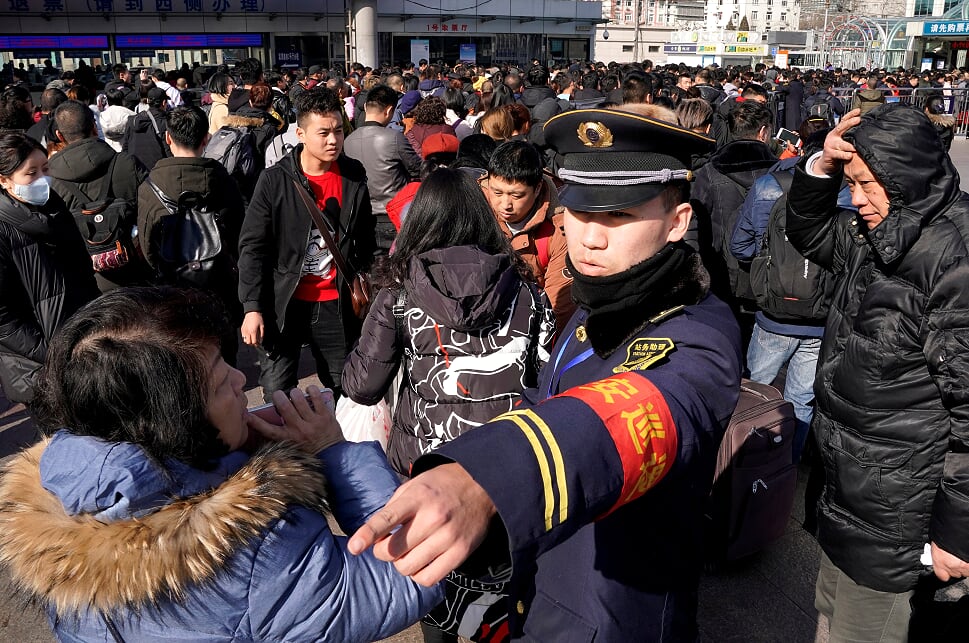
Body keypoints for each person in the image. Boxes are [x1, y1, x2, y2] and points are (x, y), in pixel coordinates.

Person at [347, 109, 742, 640]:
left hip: (611, 610)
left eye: (620, 215)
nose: (590, 239)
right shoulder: (597, 301)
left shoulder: (700, 332)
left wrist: (487, 479)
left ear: (678, 222)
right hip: (544, 580)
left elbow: (633, 412)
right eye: (578, 212)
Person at [0, 286, 442, 642]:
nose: (240, 379)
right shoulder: (254, 550)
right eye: (219, 382)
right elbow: (410, 578)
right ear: (177, 425)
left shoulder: (54, 500)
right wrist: (333, 450)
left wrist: (230, 457)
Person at [787, 105, 969, 641]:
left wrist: (957, 531)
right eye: (850, 184)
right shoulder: (878, 231)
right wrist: (822, 165)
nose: (856, 200)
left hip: (898, 509)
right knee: (831, 615)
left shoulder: (955, 259)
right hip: (852, 489)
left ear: (905, 177)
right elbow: (810, 232)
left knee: (864, 630)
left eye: (867, 185)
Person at [343, 167, 554, 478]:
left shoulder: (400, 290)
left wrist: (359, 348)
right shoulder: (526, 289)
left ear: (419, 219)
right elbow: (547, 382)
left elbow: (363, 387)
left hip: (426, 462)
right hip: (510, 458)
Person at [238, 87, 377, 402]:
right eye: (324, 133)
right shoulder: (275, 180)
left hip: (338, 304)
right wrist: (252, 307)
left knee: (346, 389)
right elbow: (252, 247)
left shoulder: (353, 174)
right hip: (284, 303)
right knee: (277, 393)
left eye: (339, 131)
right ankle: (285, 451)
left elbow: (366, 238)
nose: (333, 140)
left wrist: (372, 280)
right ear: (300, 133)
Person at [137, 106, 245, 361]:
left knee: (182, 358)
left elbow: (147, 246)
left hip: (173, 289)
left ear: (168, 138)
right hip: (220, 286)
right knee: (223, 358)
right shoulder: (224, 182)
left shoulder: (150, 187)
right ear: (206, 138)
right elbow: (239, 235)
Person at [0, 132, 98, 407]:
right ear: (4, 180)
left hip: (84, 347)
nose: (42, 180)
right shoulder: (3, 231)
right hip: (38, 369)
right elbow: (3, 319)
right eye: (30, 173)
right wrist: (52, 352)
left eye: (45, 169)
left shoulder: (54, 207)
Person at [47, 100, 148, 293]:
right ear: (94, 127)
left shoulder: (51, 182)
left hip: (84, 277)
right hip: (134, 269)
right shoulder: (126, 163)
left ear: (59, 135)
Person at [485, 140, 573, 332]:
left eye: (516, 196)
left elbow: (558, 307)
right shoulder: (475, 210)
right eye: (497, 192)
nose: (505, 204)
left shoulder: (560, 231)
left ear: (538, 188)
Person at [343, 85, 421, 253]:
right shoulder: (394, 138)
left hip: (361, 217)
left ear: (365, 107)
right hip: (394, 215)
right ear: (389, 110)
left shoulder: (348, 140)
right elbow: (417, 170)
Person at [122, 86, 171, 171]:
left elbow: (125, 148)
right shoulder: (164, 122)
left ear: (148, 101)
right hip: (157, 171)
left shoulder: (132, 120)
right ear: (164, 103)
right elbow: (168, 150)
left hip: (135, 169)